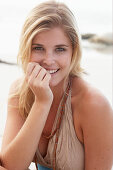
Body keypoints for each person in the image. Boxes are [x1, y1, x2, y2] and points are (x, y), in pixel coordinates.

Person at [1, 1, 113, 170]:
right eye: (38, 48)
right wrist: (42, 102)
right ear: (26, 49)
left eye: (60, 49)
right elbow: (11, 166)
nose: (48, 60)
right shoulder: (20, 92)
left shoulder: (94, 104)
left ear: (73, 52)